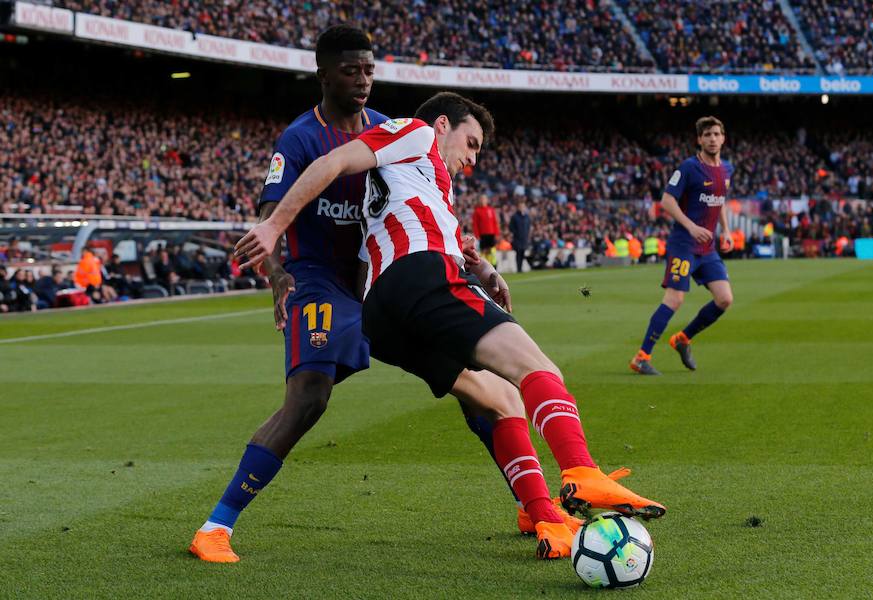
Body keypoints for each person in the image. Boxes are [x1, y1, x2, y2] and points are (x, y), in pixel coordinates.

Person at [189, 27, 576, 565]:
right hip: (321, 281)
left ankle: (533, 507)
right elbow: (269, 221)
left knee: (481, 385)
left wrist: (475, 261)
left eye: (369, 70)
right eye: (351, 70)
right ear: (324, 75)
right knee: (309, 397)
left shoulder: (390, 128)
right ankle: (216, 526)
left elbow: (422, 208)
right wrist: (277, 276)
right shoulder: (300, 139)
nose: (364, 80)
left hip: (385, 281)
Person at [236, 91, 667, 560]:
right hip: (422, 276)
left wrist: (480, 266)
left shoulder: (408, 182)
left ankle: (544, 518)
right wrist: (273, 227)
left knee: (501, 400)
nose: (473, 158)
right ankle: (582, 471)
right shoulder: (416, 132)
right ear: (443, 124)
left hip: (382, 316)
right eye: (472, 143)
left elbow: (397, 238)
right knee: (537, 369)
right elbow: (334, 161)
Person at [630, 116, 735, 375]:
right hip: (684, 245)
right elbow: (667, 200)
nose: (712, 139)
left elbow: (719, 200)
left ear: (723, 138)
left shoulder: (727, 169)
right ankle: (641, 357)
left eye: (716, 134)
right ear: (699, 139)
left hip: (707, 248)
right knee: (675, 299)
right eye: (707, 135)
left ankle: (682, 339)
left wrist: (726, 230)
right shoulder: (689, 167)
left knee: (724, 299)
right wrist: (691, 227)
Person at [472, 194, 500, 266]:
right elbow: (475, 224)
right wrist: (477, 235)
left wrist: (497, 233)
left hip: (491, 233)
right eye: (481, 199)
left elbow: (495, 222)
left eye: (484, 199)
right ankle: (485, 266)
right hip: (482, 234)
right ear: (479, 200)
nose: (483, 201)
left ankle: (493, 265)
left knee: (492, 250)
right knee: (484, 251)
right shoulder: (477, 211)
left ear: (487, 200)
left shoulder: (491, 210)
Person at [509, 201, 531, 272]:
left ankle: (521, 268)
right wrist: (516, 233)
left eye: (523, 206)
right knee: (518, 253)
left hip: (524, 238)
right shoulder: (515, 217)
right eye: (520, 206)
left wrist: (527, 234)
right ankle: (519, 268)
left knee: (522, 253)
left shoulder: (527, 217)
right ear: (518, 207)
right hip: (517, 238)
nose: (522, 208)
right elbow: (511, 227)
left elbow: (528, 226)